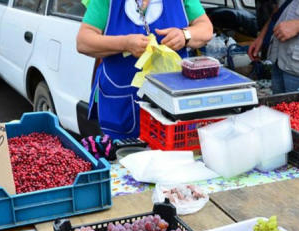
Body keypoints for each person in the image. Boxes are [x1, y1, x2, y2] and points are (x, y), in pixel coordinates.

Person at [76, 0, 213, 139]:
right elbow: (84, 41)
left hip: (172, 104)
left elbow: (205, 28)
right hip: (121, 102)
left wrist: (185, 35)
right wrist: (125, 43)